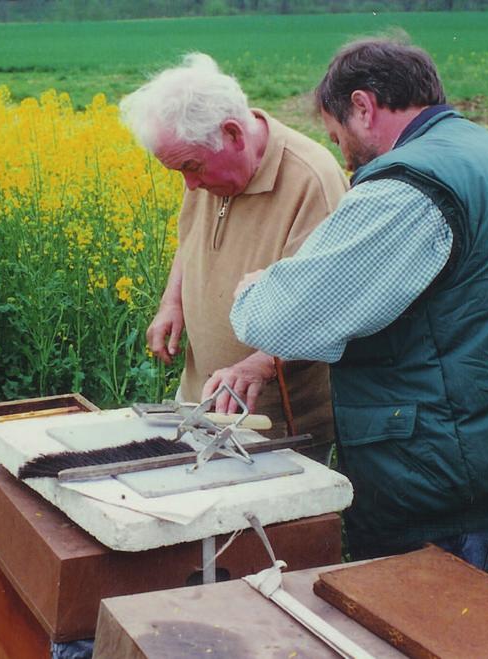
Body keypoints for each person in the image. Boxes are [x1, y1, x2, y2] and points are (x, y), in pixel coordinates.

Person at [229, 36, 488, 583]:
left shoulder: (410, 188)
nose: (343, 156)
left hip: (444, 497)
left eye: (338, 136)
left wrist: (259, 283)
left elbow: (277, 319)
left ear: (363, 107)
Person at [119, 53, 349, 455]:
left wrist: (257, 365)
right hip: (198, 404)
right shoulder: (206, 170)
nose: (189, 185)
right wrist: (172, 301)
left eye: (193, 168)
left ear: (232, 134)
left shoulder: (312, 179)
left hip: (275, 426)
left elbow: (328, 308)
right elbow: (189, 239)